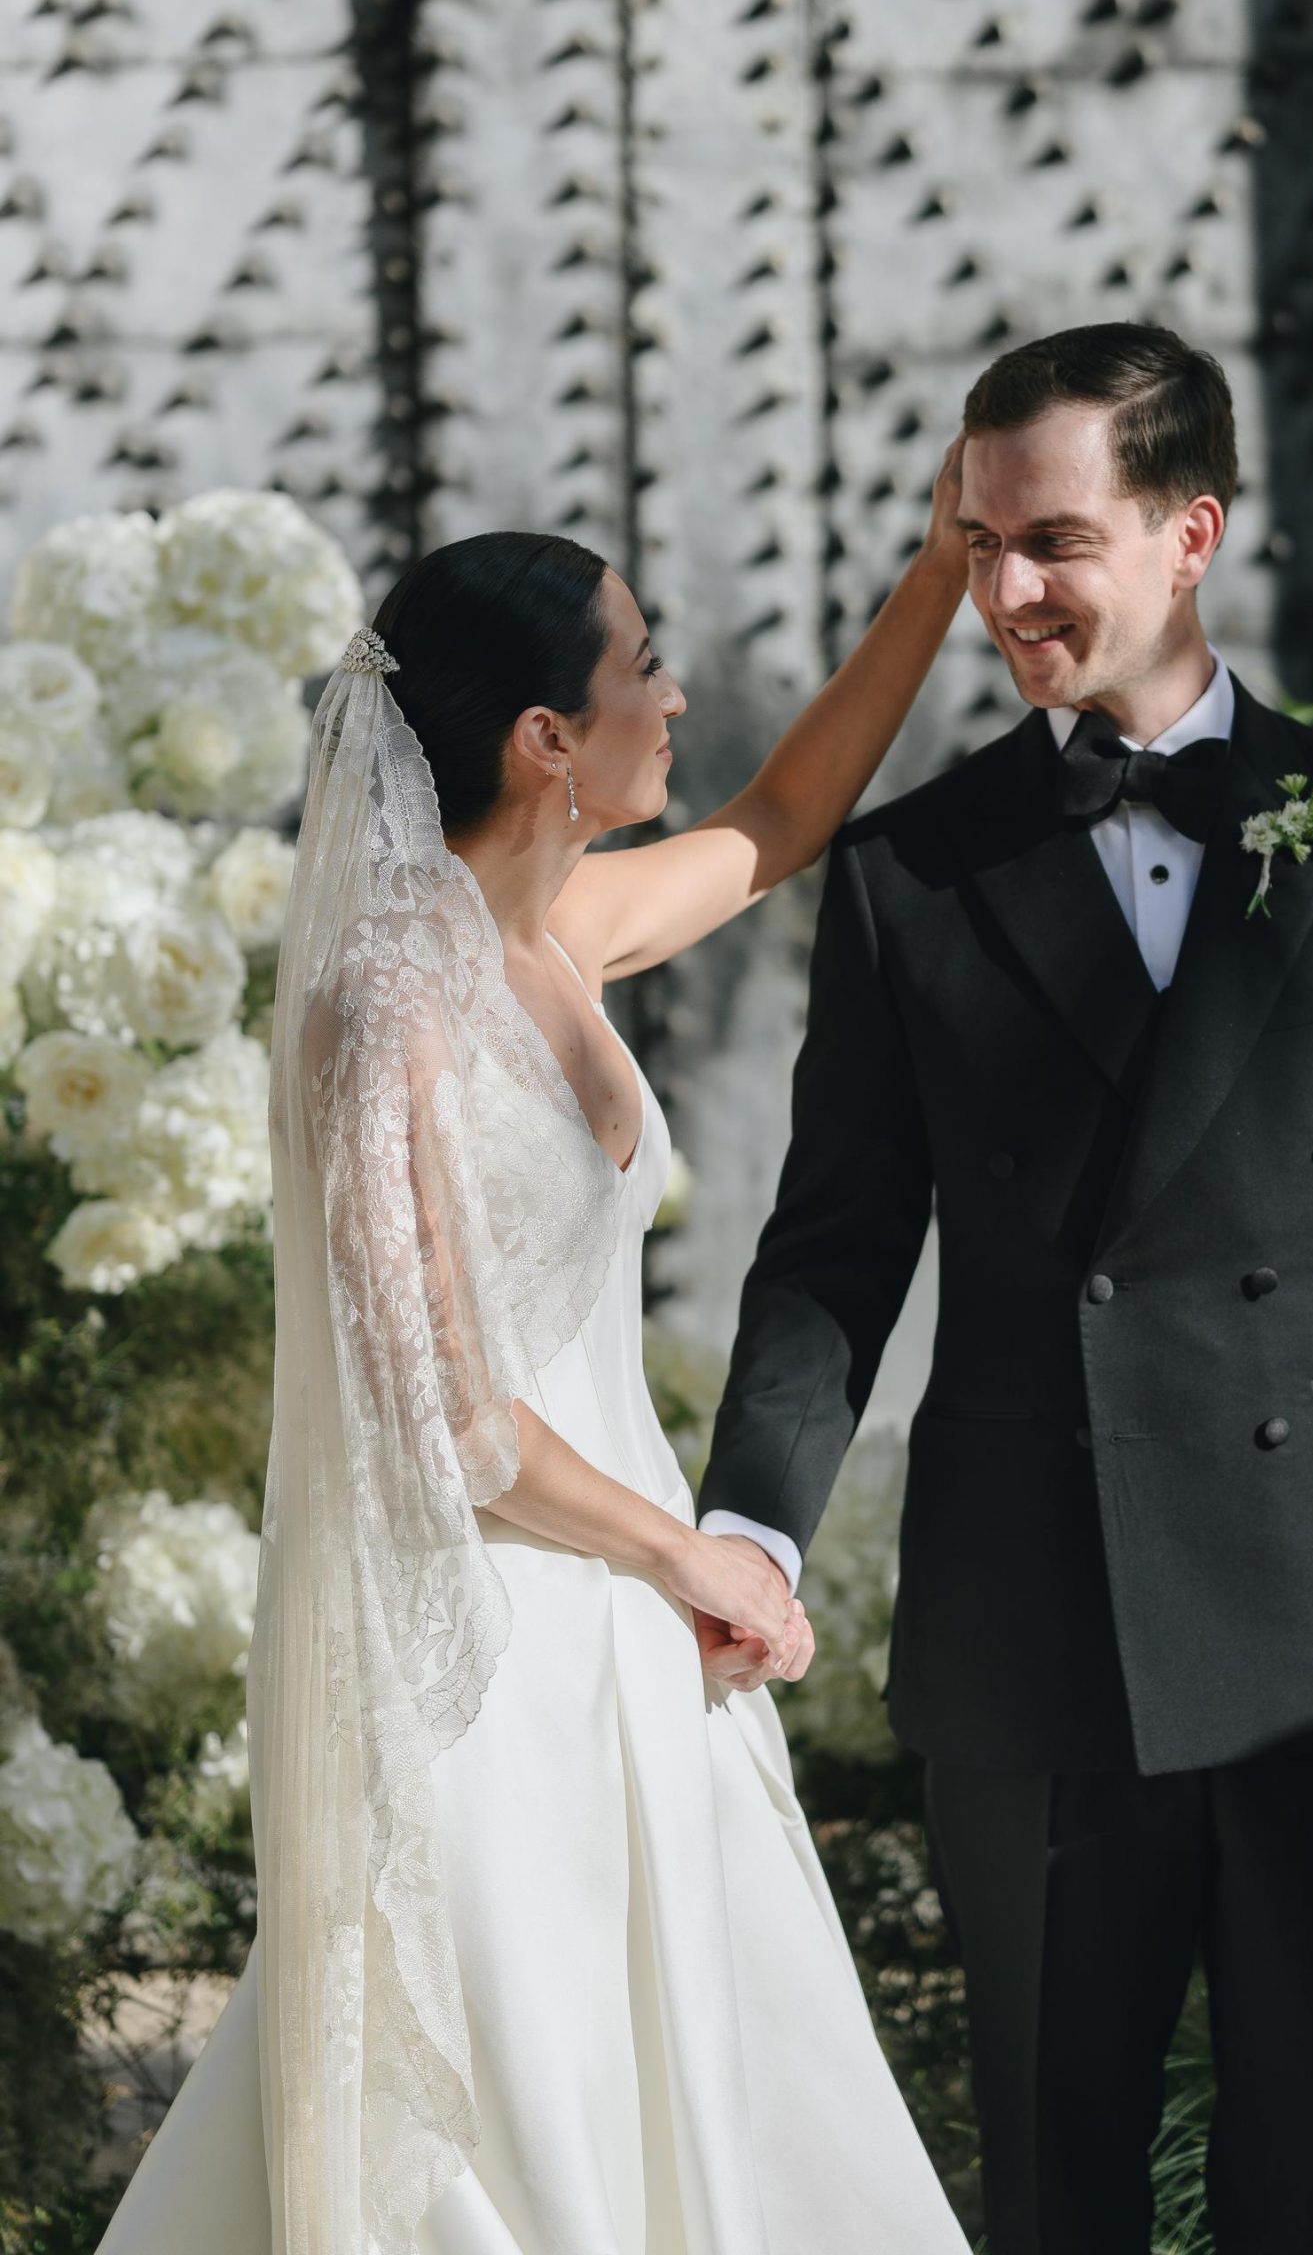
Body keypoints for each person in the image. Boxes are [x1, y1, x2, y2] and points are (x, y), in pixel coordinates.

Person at [697, 322, 1313, 2255]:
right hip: (1035, 1633)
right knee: (1059, 2196)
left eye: (1052, 542)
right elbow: (834, 1247)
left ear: (1190, 537)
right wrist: (747, 1527)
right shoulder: (914, 874)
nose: (1005, 593)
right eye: (979, 545)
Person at [94, 474, 977, 2255]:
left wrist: (946, 569)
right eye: (644, 668)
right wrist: (687, 1553)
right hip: (495, 1644)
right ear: (546, 739)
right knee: (519, 2115)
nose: (677, 698)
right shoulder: (381, 1017)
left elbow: (790, 811)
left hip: (645, 1634)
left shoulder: (564, 937)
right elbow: (443, 1417)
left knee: (714, 2089)